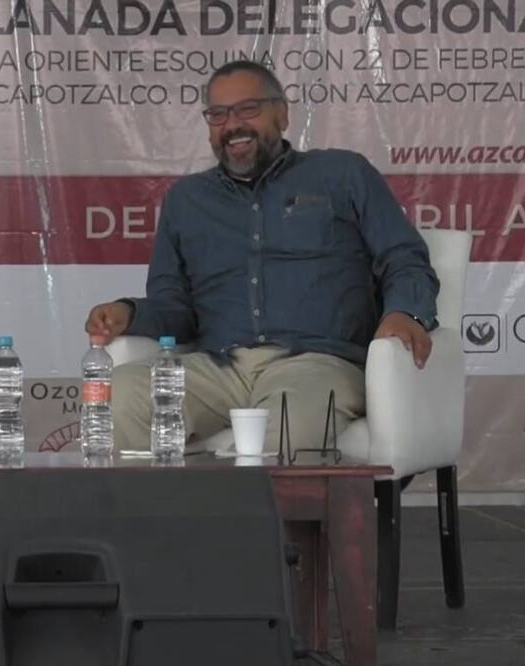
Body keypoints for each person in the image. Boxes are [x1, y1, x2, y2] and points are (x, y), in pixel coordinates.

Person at [85, 60, 438, 454]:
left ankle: (265, 518)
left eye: (248, 109)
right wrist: (129, 313)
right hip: (218, 367)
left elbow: (404, 257)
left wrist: (406, 312)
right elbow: (176, 309)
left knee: (285, 429)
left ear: (282, 114)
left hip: (316, 362)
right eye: (218, 115)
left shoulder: (343, 174)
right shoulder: (186, 200)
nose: (232, 124)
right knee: (115, 397)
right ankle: (153, 516)